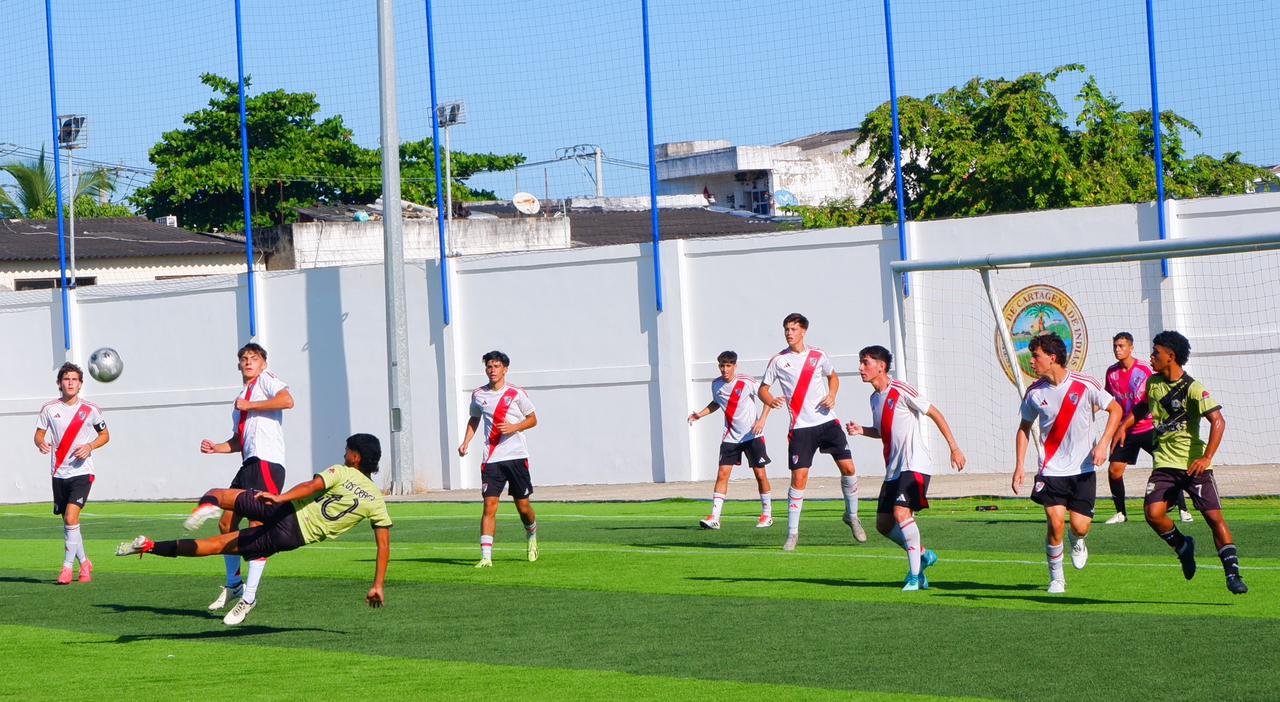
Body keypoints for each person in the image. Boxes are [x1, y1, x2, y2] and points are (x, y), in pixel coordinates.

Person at [117, 433, 392, 624]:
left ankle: (244, 596)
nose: (344, 454)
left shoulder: (342, 471)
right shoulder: (377, 502)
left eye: (347, 451)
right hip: (292, 534)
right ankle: (166, 536)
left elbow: (311, 486)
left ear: (355, 457)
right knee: (215, 546)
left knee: (217, 498)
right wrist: (377, 584)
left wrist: (281, 497)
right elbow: (383, 547)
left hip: (284, 513)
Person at [845, 346, 965, 591]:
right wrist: (862, 431)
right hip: (893, 469)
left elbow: (934, 413)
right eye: (860, 362)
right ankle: (921, 554)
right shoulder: (874, 398)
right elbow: (883, 430)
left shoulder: (901, 389)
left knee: (902, 514)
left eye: (865, 362)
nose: (860, 368)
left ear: (881, 366)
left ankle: (915, 576)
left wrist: (954, 448)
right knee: (883, 524)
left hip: (915, 464)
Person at [1012, 333, 1122, 594]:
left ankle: (1078, 539)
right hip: (1051, 470)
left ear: (1052, 358)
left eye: (1035, 356)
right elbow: (1024, 428)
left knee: (1079, 526)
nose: (1032, 362)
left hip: (1083, 469)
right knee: (1055, 522)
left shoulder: (1085, 383)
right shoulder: (1034, 393)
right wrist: (1019, 465)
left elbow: (1115, 409)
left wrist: (1104, 443)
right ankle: (1057, 579)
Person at [1141, 330, 1247, 594]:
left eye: (1156, 353)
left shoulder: (1193, 388)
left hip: (1193, 466)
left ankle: (1232, 574)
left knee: (1213, 518)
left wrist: (1206, 457)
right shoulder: (1152, 383)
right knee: (1153, 514)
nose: (1151, 356)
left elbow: (1218, 421)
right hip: (1164, 464)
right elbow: (1143, 407)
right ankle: (1183, 546)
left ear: (1170, 356)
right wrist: (1124, 426)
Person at [197, 343, 295, 614]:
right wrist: (217, 447)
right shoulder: (242, 397)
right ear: (238, 365)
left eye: (254, 358)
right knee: (226, 521)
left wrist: (250, 405)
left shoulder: (266, 380)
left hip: (267, 463)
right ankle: (234, 583)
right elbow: (240, 440)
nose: (249, 361)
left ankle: (248, 597)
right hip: (249, 463)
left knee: (256, 525)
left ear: (263, 363)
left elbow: (288, 401)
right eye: (244, 358)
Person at [758, 313, 865, 551]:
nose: (789, 333)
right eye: (786, 329)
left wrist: (832, 394)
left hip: (828, 422)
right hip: (800, 428)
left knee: (849, 468)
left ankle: (852, 515)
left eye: (793, 329)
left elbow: (833, 376)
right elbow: (762, 389)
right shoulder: (778, 361)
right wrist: (770, 399)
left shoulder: (818, 355)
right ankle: (792, 534)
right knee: (799, 478)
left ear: (803, 331)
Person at [458, 350, 539, 567]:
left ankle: (531, 533)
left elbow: (533, 419)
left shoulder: (516, 393)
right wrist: (466, 442)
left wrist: (515, 427)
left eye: (496, 366)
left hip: (516, 456)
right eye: (489, 367)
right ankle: (486, 558)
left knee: (523, 507)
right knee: (489, 505)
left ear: (505, 369)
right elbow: (474, 419)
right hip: (491, 459)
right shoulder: (478, 395)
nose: (492, 371)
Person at [34, 362, 110, 585]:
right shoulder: (49, 409)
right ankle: (84, 563)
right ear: (60, 383)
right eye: (66, 379)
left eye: (74, 379)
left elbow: (105, 435)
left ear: (80, 384)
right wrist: (41, 443)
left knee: (70, 517)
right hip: (58, 473)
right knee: (69, 523)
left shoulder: (91, 410)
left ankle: (67, 568)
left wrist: (90, 447)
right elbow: (38, 435)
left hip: (82, 472)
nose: (70, 383)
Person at [1103, 332, 1191, 524]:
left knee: (1168, 466)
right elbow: (1107, 398)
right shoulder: (1111, 372)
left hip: (1148, 427)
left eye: (1122, 346)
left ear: (1131, 348)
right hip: (1125, 431)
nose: (1118, 349)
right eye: (1115, 346)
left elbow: (1148, 401)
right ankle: (1121, 513)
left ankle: (1183, 509)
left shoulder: (1144, 369)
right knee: (1114, 471)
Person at [687, 350, 774, 530]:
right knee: (722, 474)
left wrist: (762, 420)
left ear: (735, 366)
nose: (724, 369)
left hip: (752, 436)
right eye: (722, 366)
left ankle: (767, 515)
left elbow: (766, 397)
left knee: (760, 475)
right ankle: (715, 518)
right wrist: (699, 415)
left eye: (728, 366)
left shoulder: (747, 382)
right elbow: (716, 403)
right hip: (730, 437)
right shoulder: (716, 385)